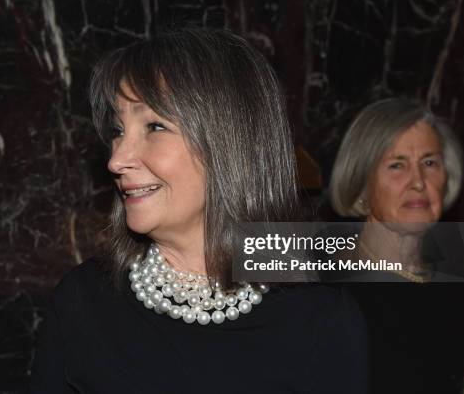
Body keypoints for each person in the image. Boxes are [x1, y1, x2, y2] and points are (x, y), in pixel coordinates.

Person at [29, 28, 368, 393]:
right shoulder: (83, 303)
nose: (117, 159)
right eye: (117, 130)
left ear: (229, 143)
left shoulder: (319, 318)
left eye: (154, 126)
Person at [327, 98, 464, 393]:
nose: (419, 182)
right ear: (361, 186)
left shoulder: (458, 283)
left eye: (429, 163)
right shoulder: (332, 291)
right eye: (397, 165)